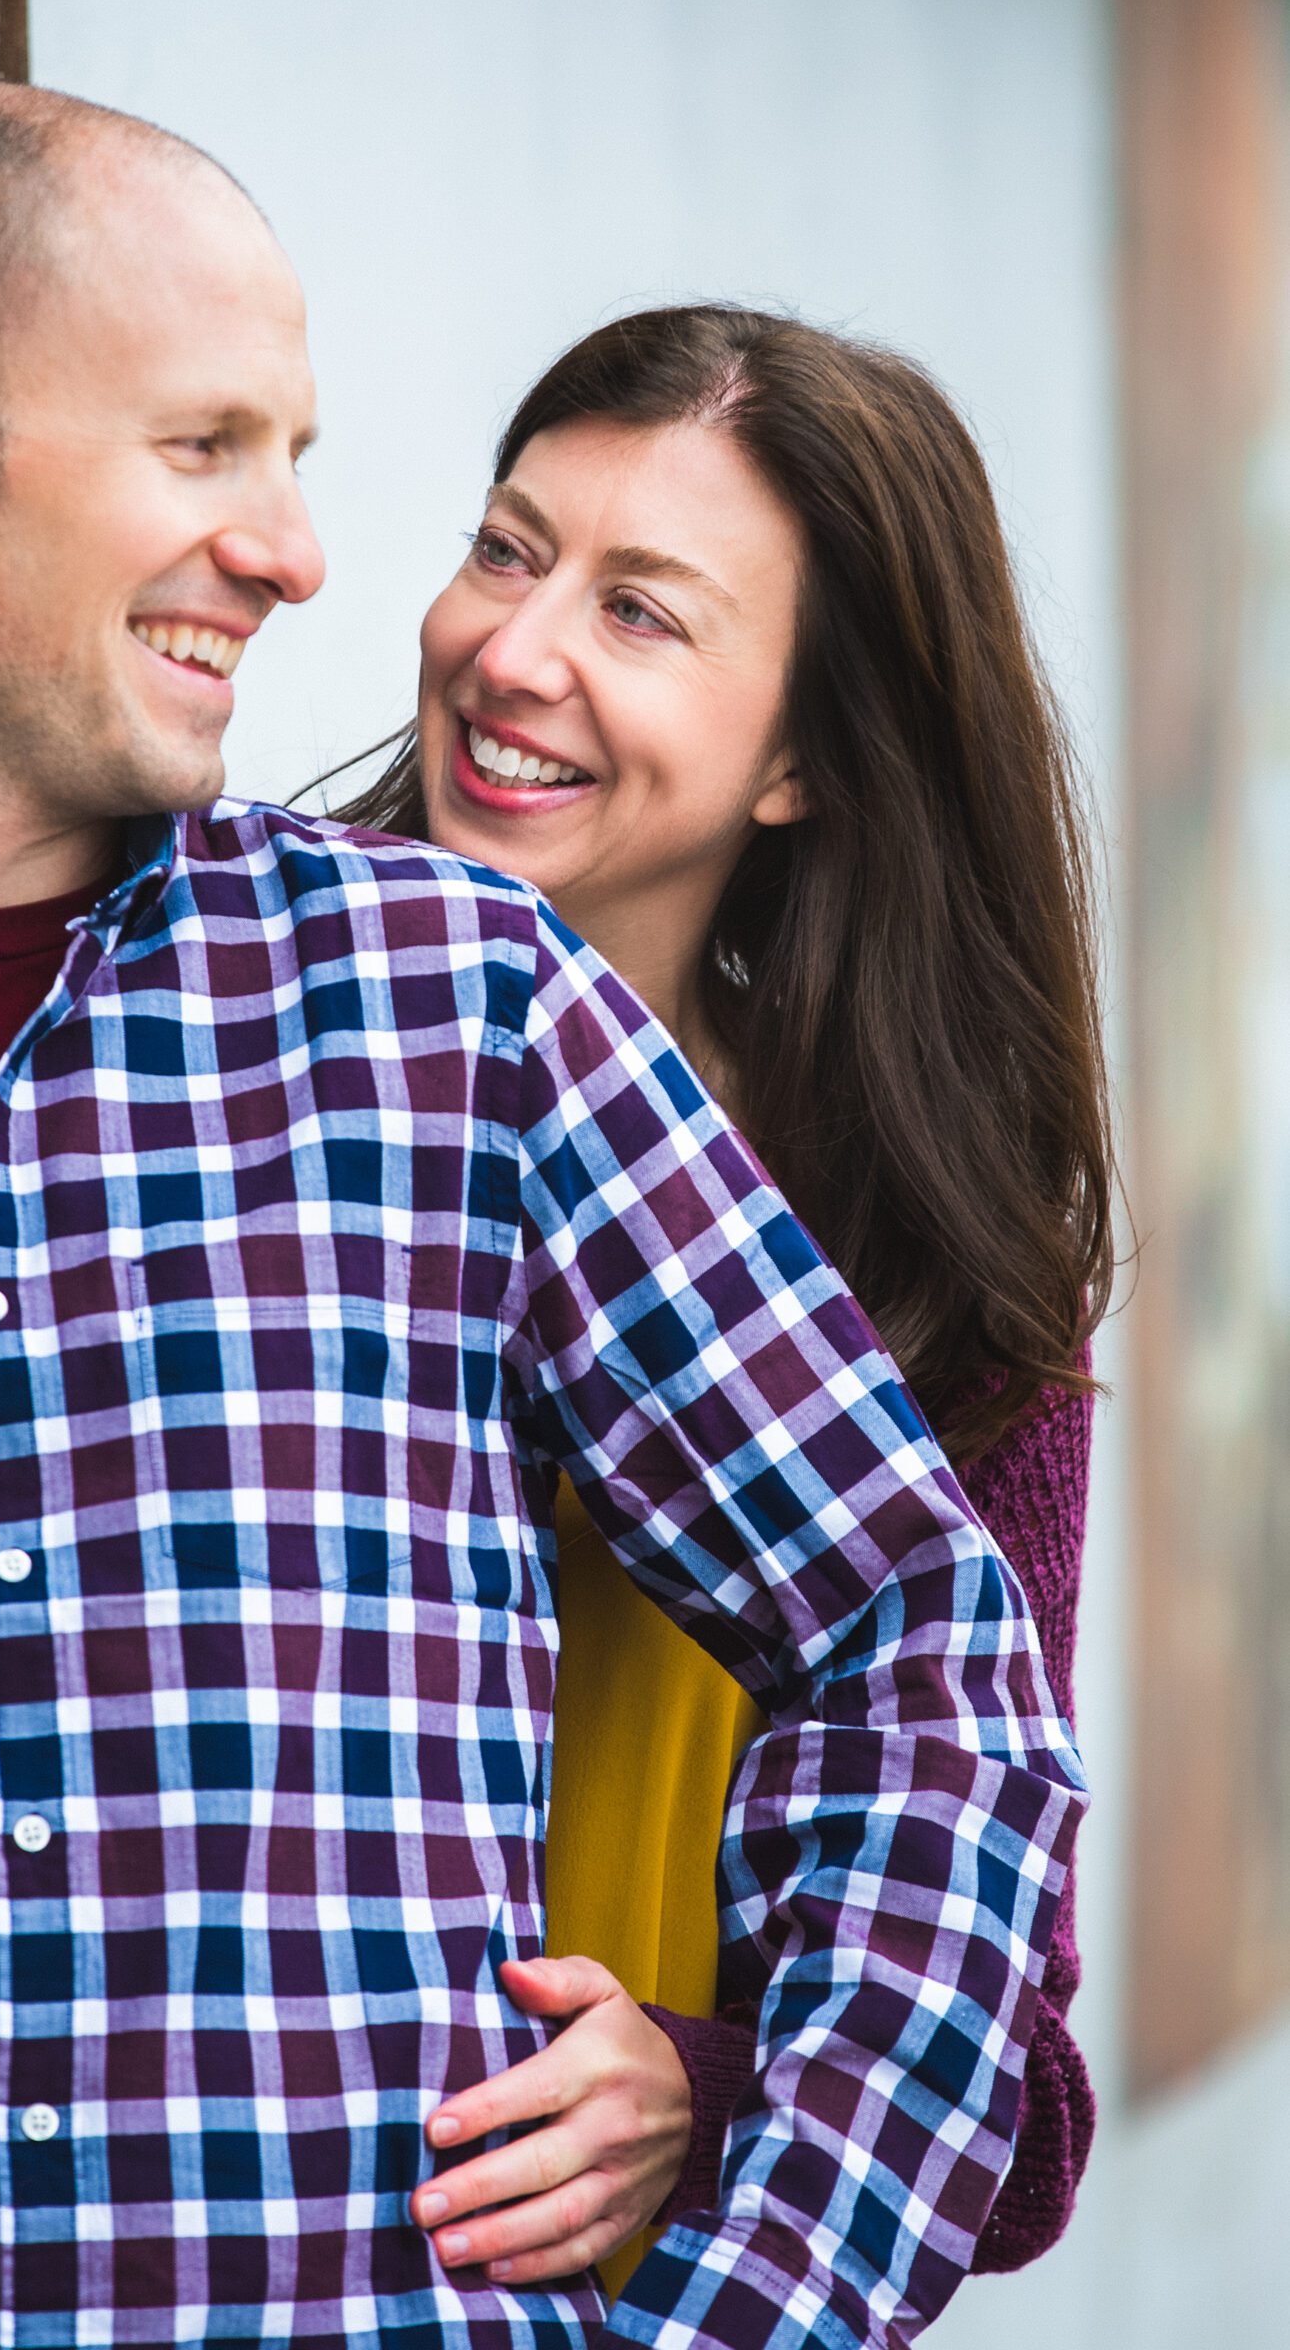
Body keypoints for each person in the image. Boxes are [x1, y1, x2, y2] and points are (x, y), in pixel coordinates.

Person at [0, 85, 1084, 2350]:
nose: (306, 559)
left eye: (646, 611)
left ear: (799, 766)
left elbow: (931, 1683)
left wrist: (741, 2251)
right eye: (208, 449)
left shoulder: (458, 1023)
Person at [325, 305, 1110, 2292]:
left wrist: (703, 2085)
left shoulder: (929, 1286)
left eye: (642, 613)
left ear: (806, 763)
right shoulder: (201, 1054)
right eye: (509, 548)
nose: (515, 650)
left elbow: (1012, 2098)